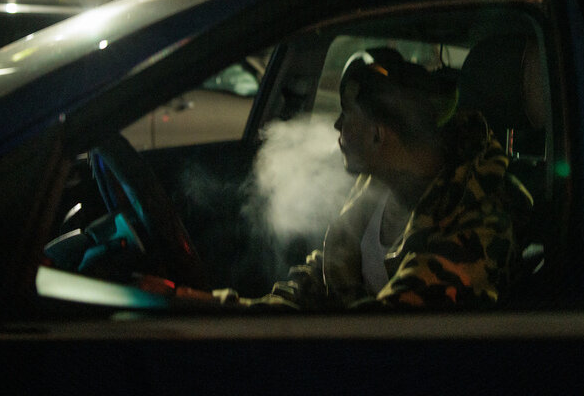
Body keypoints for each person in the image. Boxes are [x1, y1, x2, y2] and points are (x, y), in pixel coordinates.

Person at [220, 48, 532, 310]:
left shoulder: (477, 222)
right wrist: (229, 309)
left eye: (347, 114)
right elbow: (317, 279)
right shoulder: (375, 189)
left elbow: (388, 329)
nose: (337, 124)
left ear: (378, 135)